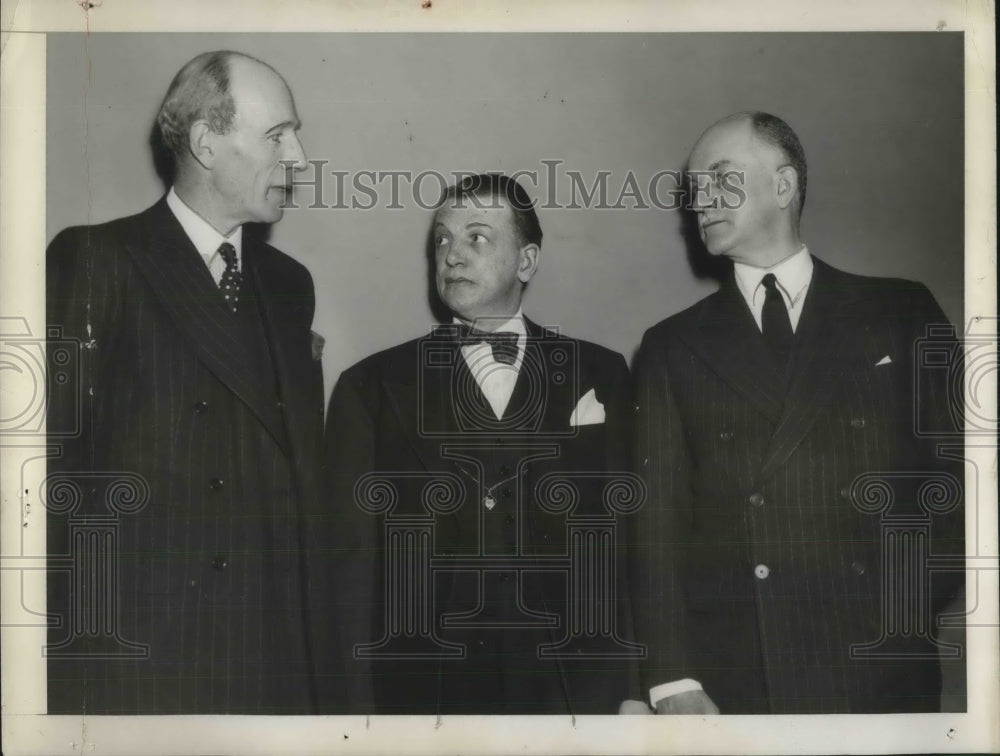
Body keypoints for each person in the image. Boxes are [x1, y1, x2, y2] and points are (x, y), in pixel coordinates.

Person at [629, 112, 964, 715]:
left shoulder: (900, 310)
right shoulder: (671, 346)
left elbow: (957, 480)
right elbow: (657, 524)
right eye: (695, 189)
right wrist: (674, 678)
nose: (701, 200)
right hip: (739, 676)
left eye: (721, 179)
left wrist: (902, 611)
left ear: (783, 187)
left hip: (880, 667)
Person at [45, 50, 323, 714]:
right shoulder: (98, 259)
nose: (301, 159)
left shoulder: (290, 287)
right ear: (205, 142)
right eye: (277, 134)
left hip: (268, 659)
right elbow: (40, 476)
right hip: (143, 662)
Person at [317, 174, 641, 714]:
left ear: (527, 262)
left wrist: (634, 689)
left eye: (477, 238)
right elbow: (348, 568)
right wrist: (354, 711)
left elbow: (630, 544)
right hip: (426, 694)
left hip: (577, 688)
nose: (452, 256)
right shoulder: (369, 387)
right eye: (441, 240)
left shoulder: (601, 372)